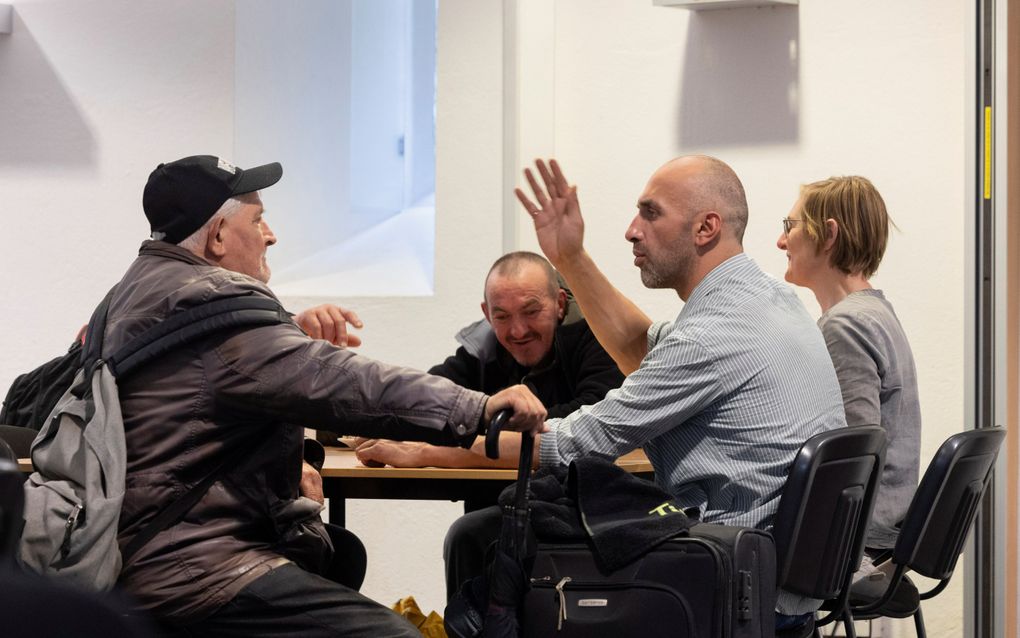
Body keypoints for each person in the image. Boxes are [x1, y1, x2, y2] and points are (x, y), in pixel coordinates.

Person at [106, 155, 546, 637]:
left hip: (137, 551)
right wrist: (477, 408)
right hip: (197, 568)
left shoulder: (133, 296)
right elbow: (350, 383)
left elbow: (195, 395)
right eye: (258, 219)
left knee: (341, 554)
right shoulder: (218, 305)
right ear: (217, 237)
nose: (270, 234)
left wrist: (288, 335)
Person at [442, 156, 848, 627]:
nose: (632, 230)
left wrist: (432, 447)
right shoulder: (769, 300)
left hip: (730, 584)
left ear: (705, 228)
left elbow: (561, 444)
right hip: (775, 580)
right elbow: (640, 347)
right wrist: (569, 258)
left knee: (489, 544)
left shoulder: (713, 336)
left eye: (650, 213)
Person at [776, 175, 921, 588]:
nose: (781, 242)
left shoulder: (846, 326)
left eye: (790, 226)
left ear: (828, 236)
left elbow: (850, 459)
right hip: (881, 533)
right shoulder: (875, 313)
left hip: (859, 547)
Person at [353, 251, 624, 472]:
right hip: (497, 497)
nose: (518, 330)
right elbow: (427, 398)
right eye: (502, 316)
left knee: (469, 533)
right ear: (487, 313)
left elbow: (592, 419)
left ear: (560, 304)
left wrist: (473, 426)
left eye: (531, 312)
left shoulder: (600, 338)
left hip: (583, 503)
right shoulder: (481, 350)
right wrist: (370, 422)